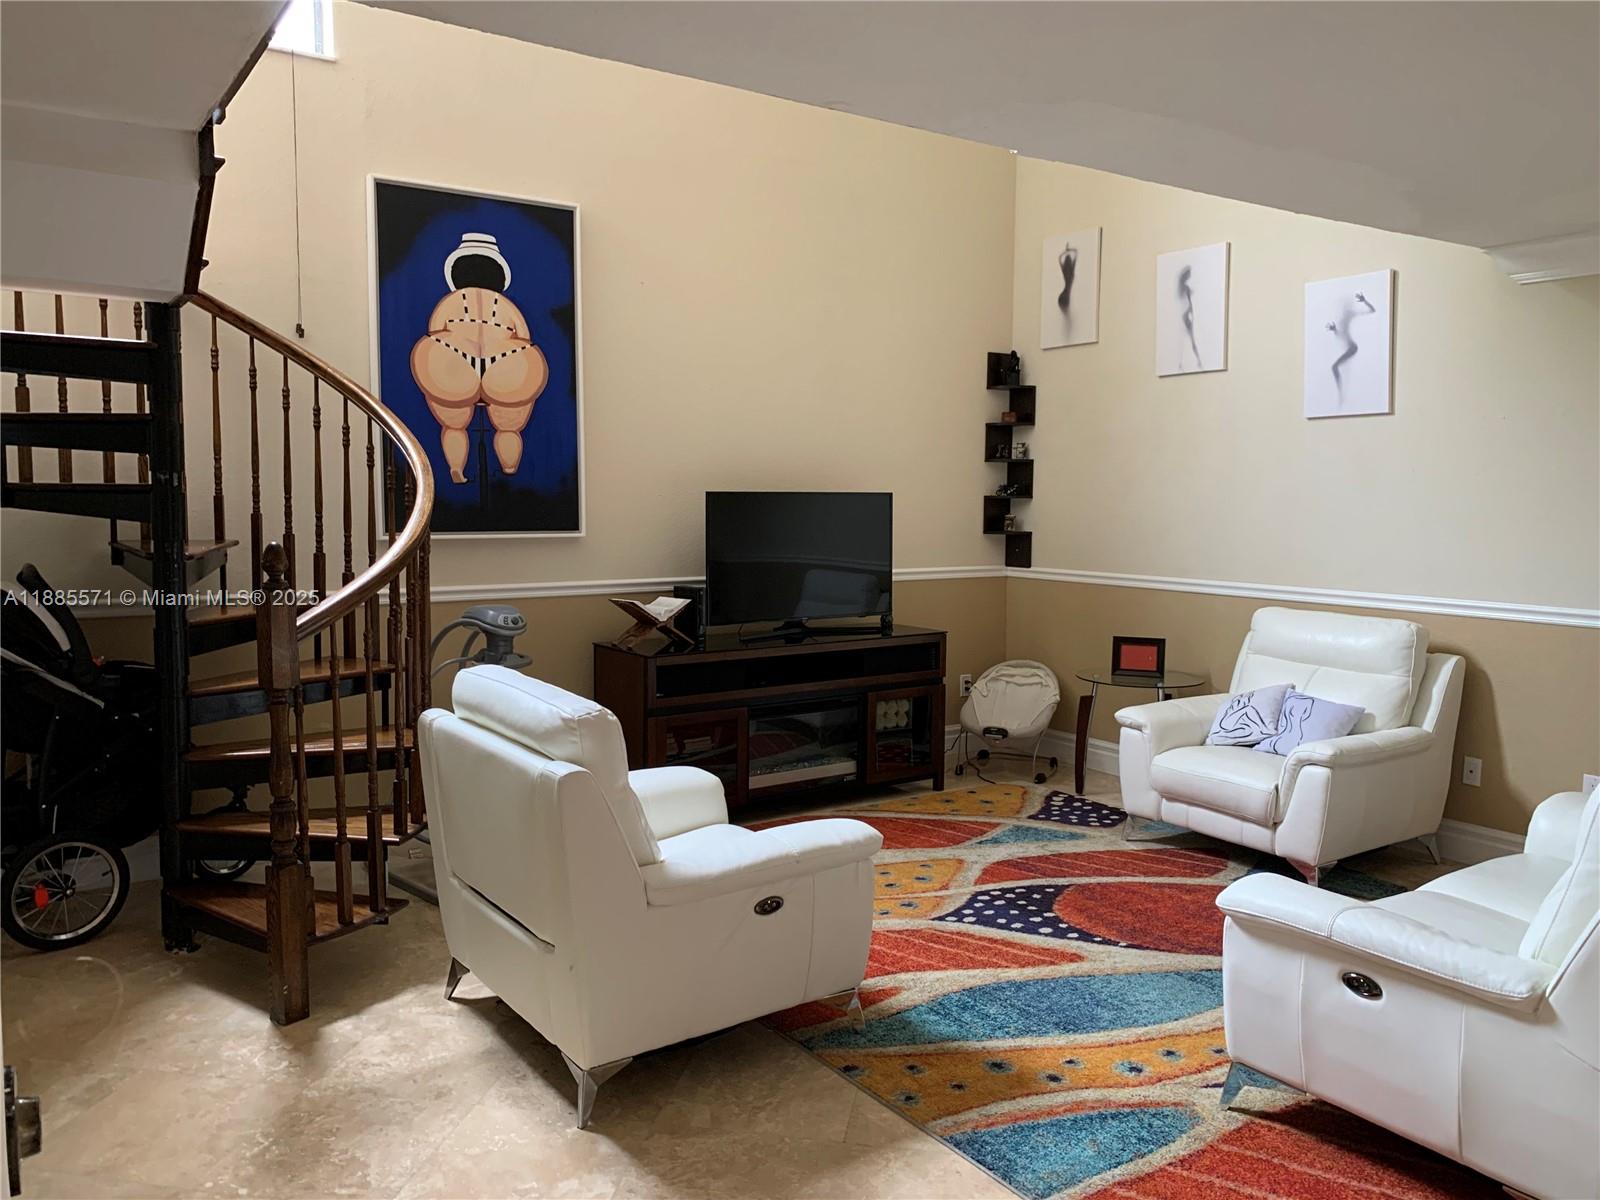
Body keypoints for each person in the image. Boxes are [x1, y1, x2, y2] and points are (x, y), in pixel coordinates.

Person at [409, 233, 548, 484]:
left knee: (454, 424)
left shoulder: (449, 302)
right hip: (503, 364)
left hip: (457, 361)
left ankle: (456, 469)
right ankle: (509, 467)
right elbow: (524, 338)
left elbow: (435, 330)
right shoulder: (506, 305)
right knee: (509, 425)